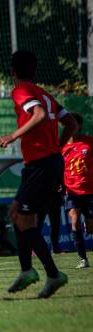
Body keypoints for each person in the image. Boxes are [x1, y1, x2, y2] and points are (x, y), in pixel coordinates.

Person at [0, 50, 78, 298]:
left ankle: (49, 273)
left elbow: (39, 115)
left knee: (24, 220)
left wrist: (13, 135)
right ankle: (28, 270)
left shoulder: (21, 90)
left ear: (13, 72)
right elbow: (72, 123)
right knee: (16, 214)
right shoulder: (45, 94)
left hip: (41, 164)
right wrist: (58, 149)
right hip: (46, 163)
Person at [62, 112, 93, 268]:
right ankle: (83, 259)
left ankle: (89, 220)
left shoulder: (89, 143)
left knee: (90, 223)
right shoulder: (62, 147)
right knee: (74, 219)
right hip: (72, 191)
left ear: (78, 126)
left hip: (90, 189)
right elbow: (58, 167)